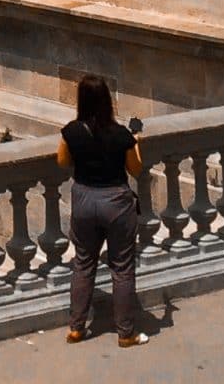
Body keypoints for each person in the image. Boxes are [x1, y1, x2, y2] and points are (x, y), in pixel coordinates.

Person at [57, 74, 150, 348]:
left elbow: (62, 161)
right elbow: (136, 169)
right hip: (116, 203)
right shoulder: (121, 135)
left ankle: (76, 328)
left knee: (83, 264)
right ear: (107, 101)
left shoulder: (71, 131)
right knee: (122, 268)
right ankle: (126, 333)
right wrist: (136, 142)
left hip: (84, 199)